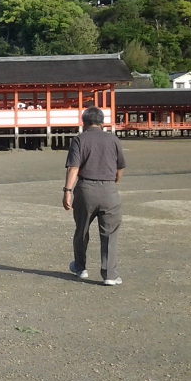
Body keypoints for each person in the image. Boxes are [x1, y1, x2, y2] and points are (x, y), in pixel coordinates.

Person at [63, 106, 126, 285]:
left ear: (84, 122)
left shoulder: (79, 140)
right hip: (109, 190)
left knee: (82, 230)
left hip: (86, 189)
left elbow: (73, 167)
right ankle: (110, 275)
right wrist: (114, 184)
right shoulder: (113, 140)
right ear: (102, 122)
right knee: (110, 233)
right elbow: (120, 166)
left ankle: (81, 267)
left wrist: (67, 191)